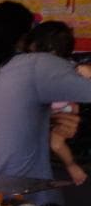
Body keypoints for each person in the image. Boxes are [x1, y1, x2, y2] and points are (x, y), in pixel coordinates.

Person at [0, 1, 91, 206]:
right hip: (28, 200)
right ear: (24, 36)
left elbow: (7, 120)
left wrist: (45, 121)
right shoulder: (35, 65)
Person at [25, 21, 91, 185]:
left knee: (56, 143)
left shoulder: (70, 67)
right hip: (53, 109)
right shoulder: (40, 68)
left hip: (64, 109)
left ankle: (72, 167)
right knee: (54, 143)